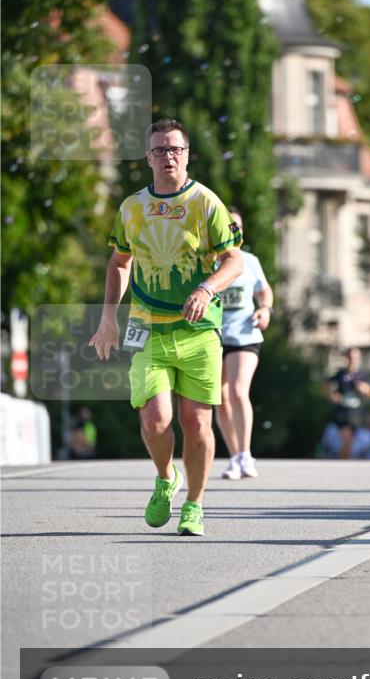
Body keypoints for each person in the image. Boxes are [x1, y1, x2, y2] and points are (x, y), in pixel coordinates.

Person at [90, 118, 243, 536]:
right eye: (160, 150)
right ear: (148, 157)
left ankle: (194, 505)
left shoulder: (206, 203)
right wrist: (108, 318)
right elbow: (120, 263)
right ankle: (165, 477)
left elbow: (235, 260)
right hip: (147, 329)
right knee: (156, 420)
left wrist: (206, 289)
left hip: (198, 329)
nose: (168, 156)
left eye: (176, 149)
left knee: (196, 422)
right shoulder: (131, 208)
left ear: (187, 155)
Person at [214, 208, 273, 481]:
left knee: (238, 390)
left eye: (236, 227)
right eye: (228, 227)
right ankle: (235, 455)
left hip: (245, 335)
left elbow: (264, 290)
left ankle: (246, 454)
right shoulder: (206, 261)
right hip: (213, 337)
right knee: (220, 398)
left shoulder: (249, 260)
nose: (232, 231)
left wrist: (266, 309)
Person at [327, 348, 370, 460]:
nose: (353, 360)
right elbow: (327, 385)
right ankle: (343, 464)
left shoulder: (363, 375)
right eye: (350, 357)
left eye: (355, 357)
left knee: (351, 440)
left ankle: (344, 462)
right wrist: (332, 395)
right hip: (343, 412)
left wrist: (365, 389)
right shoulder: (341, 374)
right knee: (346, 438)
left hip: (357, 413)